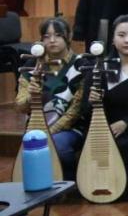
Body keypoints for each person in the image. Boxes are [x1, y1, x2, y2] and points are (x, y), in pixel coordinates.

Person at [82, 15, 128, 200]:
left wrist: (126, 122)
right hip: (109, 128)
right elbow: (85, 111)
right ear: (113, 40)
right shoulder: (100, 68)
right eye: (121, 35)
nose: (127, 40)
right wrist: (93, 102)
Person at [15, 17, 85, 179]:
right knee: (33, 144)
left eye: (58, 35)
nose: (52, 40)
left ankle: (69, 183)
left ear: (69, 36)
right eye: (47, 36)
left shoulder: (81, 65)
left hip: (72, 128)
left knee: (57, 145)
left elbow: (75, 111)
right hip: (37, 126)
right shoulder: (31, 66)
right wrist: (32, 97)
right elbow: (20, 107)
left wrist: (49, 133)